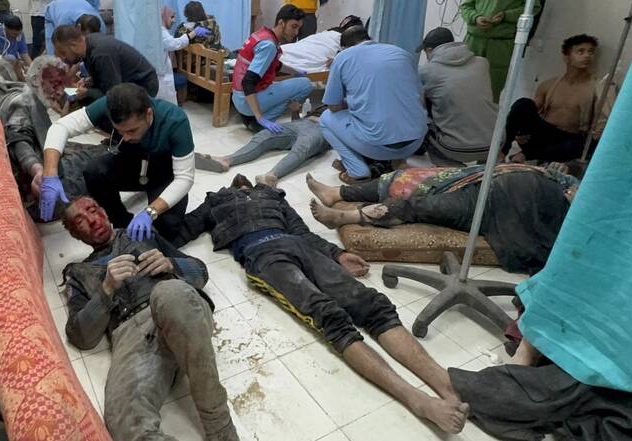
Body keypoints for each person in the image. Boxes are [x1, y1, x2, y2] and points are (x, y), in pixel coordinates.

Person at [173, 175, 470, 433]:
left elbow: (303, 232)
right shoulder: (215, 201)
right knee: (329, 316)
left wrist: (337, 254)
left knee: (371, 304)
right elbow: (180, 232)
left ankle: (445, 385)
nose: (241, 180)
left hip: (298, 245)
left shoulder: (272, 195)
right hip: (262, 254)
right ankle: (416, 399)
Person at [60, 196, 240, 441]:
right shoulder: (78, 273)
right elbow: (80, 337)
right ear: (74, 234)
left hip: (176, 308)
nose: (92, 220)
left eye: (93, 209)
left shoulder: (141, 234)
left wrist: (171, 264)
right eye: (80, 220)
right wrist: (106, 290)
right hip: (131, 335)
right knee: (124, 420)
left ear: (104, 210)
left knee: (169, 292)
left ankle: (221, 430)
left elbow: (201, 272)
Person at [306, 163, 579, 274]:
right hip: (488, 181)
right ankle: (337, 192)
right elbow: (567, 179)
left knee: (421, 206)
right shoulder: (572, 180)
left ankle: (344, 217)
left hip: (503, 208)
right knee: (410, 178)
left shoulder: (585, 213)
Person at [40, 83, 196, 245]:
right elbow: (61, 127)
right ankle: (122, 223)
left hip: (164, 172)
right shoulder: (110, 103)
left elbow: (184, 178)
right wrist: (50, 175)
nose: (125, 137)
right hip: (133, 163)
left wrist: (150, 211)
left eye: (132, 130)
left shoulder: (175, 121)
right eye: (120, 131)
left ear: (148, 114)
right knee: (95, 171)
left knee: (167, 229)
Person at [0, 56, 104, 217]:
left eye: (61, 84)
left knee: (93, 151)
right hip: (41, 184)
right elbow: (19, 140)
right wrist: (38, 171)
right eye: (54, 84)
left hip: (36, 180)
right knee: (103, 161)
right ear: (35, 80)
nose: (60, 91)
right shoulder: (23, 102)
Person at [320, 26, 428, 183]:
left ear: (344, 47)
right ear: (368, 38)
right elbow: (419, 98)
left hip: (379, 146)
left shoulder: (343, 57)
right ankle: (398, 161)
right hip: (415, 142)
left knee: (325, 118)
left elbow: (333, 106)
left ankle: (357, 170)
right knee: (396, 109)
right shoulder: (402, 53)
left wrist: (353, 102)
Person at [501, 34, 613, 163]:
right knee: (523, 103)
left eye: (591, 52)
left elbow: (603, 125)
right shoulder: (548, 85)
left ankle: (526, 155)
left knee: (587, 144)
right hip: (543, 135)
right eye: (580, 52)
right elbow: (529, 112)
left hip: (569, 141)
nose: (587, 56)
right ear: (567, 57)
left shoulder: (598, 88)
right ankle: (502, 151)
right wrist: (519, 132)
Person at [418, 27, 497, 166]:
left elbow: (418, 105)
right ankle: (485, 168)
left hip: (457, 148)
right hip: (494, 144)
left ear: (429, 50)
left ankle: (451, 167)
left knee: (421, 121)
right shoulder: (482, 63)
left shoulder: (426, 71)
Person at [196, 105, 330, 186]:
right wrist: (295, 111)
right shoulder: (327, 103)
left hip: (324, 129)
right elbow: (297, 120)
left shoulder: (343, 110)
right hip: (301, 123)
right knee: (265, 135)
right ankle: (226, 160)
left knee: (303, 147)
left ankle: (271, 176)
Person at [231, 4, 313, 132]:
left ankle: (249, 119)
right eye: (294, 26)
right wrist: (260, 117)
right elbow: (248, 82)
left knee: (283, 85)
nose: (296, 33)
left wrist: (296, 71)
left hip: (238, 98)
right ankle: (261, 121)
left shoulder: (262, 34)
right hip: (245, 100)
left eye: (298, 28)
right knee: (305, 84)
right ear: (281, 23)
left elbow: (275, 64)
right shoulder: (269, 45)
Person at [52, 25, 156, 103]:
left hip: (142, 84)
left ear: (73, 46)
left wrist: (87, 92)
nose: (63, 58)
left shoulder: (100, 53)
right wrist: (90, 81)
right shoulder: (88, 43)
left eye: (64, 53)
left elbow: (114, 93)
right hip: (128, 81)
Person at [280, 14, 363, 74]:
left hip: (295, 47)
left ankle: (280, 58)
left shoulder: (328, 32)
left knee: (295, 49)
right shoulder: (347, 39)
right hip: (317, 47)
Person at [161, 5, 211, 103]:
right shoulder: (162, 32)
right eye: (172, 17)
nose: (174, 20)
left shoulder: (180, 28)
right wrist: (193, 33)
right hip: (163, 75)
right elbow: (174, 44)